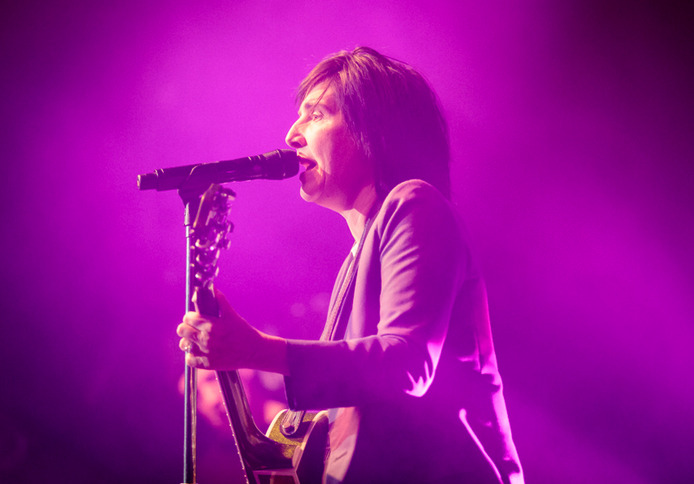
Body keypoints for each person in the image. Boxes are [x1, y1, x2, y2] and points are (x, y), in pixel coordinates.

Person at [177, 46, 524, 483]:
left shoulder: (414, 202)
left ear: (373, 128)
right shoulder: (357, 259)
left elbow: (407, 364)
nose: (292, 134)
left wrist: (254, 349)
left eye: (317, 114)